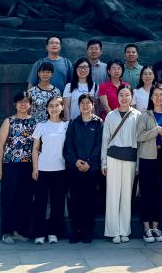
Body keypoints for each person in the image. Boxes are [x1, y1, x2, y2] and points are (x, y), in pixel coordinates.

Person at [101, 86, 141, 244]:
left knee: (126, 195)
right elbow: (105, 140)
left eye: (127, 95)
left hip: (130, 158)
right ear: (117, 97)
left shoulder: (137, 115)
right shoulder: (110, 115)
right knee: (112, 194)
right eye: (121, 95)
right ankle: (113, 231)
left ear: (131, 97)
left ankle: (124, 230)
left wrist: (138, 164)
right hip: (113, 157)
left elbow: (139, 141)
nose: (124, 98)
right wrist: (104, 162)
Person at [0, 91, 35, 244]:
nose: (23, 104)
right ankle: (7, 232)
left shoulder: (35, 122)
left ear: (30, 105)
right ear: (15, 104)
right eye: (20, 102)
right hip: (10, 164)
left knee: (24, 199)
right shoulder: (9, 121)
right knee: (8, 198)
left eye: (26, 101)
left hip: (28, 165)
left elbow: (37, 146)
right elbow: (0, 145)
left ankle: (19, 230)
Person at [64, 93, 102, 244]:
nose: (85, 105)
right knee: (75, 200)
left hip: (91, 169)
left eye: (88, 103)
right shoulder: (74, 123)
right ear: (78, 106)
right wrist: (75, 161)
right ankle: (76, 230)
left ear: (93, 105)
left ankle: (87, 231)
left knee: (89, 200)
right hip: (75, 169)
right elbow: (68, 145)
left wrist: (90, 163)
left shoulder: (98, 123)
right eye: (82, 103)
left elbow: (99, 145)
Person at [136, 84, 162, 243]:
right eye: (155, 94)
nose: (158, 97)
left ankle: (156, 226)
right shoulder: (145, 114)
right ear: (151, 97)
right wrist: (155, 130)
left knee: (159, 193)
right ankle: (146, 227)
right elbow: (139, 136)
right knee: (146, 193)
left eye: (161, 94)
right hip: (147, 158)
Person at [30, 96, 68, 244]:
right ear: (47, 108)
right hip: (42, 169)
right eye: (51, 106)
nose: (54, 108)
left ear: (62, 107)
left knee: (57, 203)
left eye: (57, 105)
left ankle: (53, 232)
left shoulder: (67, 125)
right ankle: (39, 233)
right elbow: (35, 149)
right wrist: (35, 168)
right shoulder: (41, 126)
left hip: (60, 169)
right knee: (40, 203)